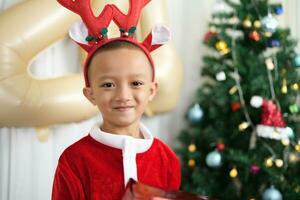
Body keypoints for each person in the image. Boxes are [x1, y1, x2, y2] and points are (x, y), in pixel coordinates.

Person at [52, 0, 181, 199]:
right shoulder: (74, 160)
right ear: (91, 94)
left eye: (136, 83)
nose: (123, 96)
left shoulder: (167, 159)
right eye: (108, 85)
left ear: (151, 90)